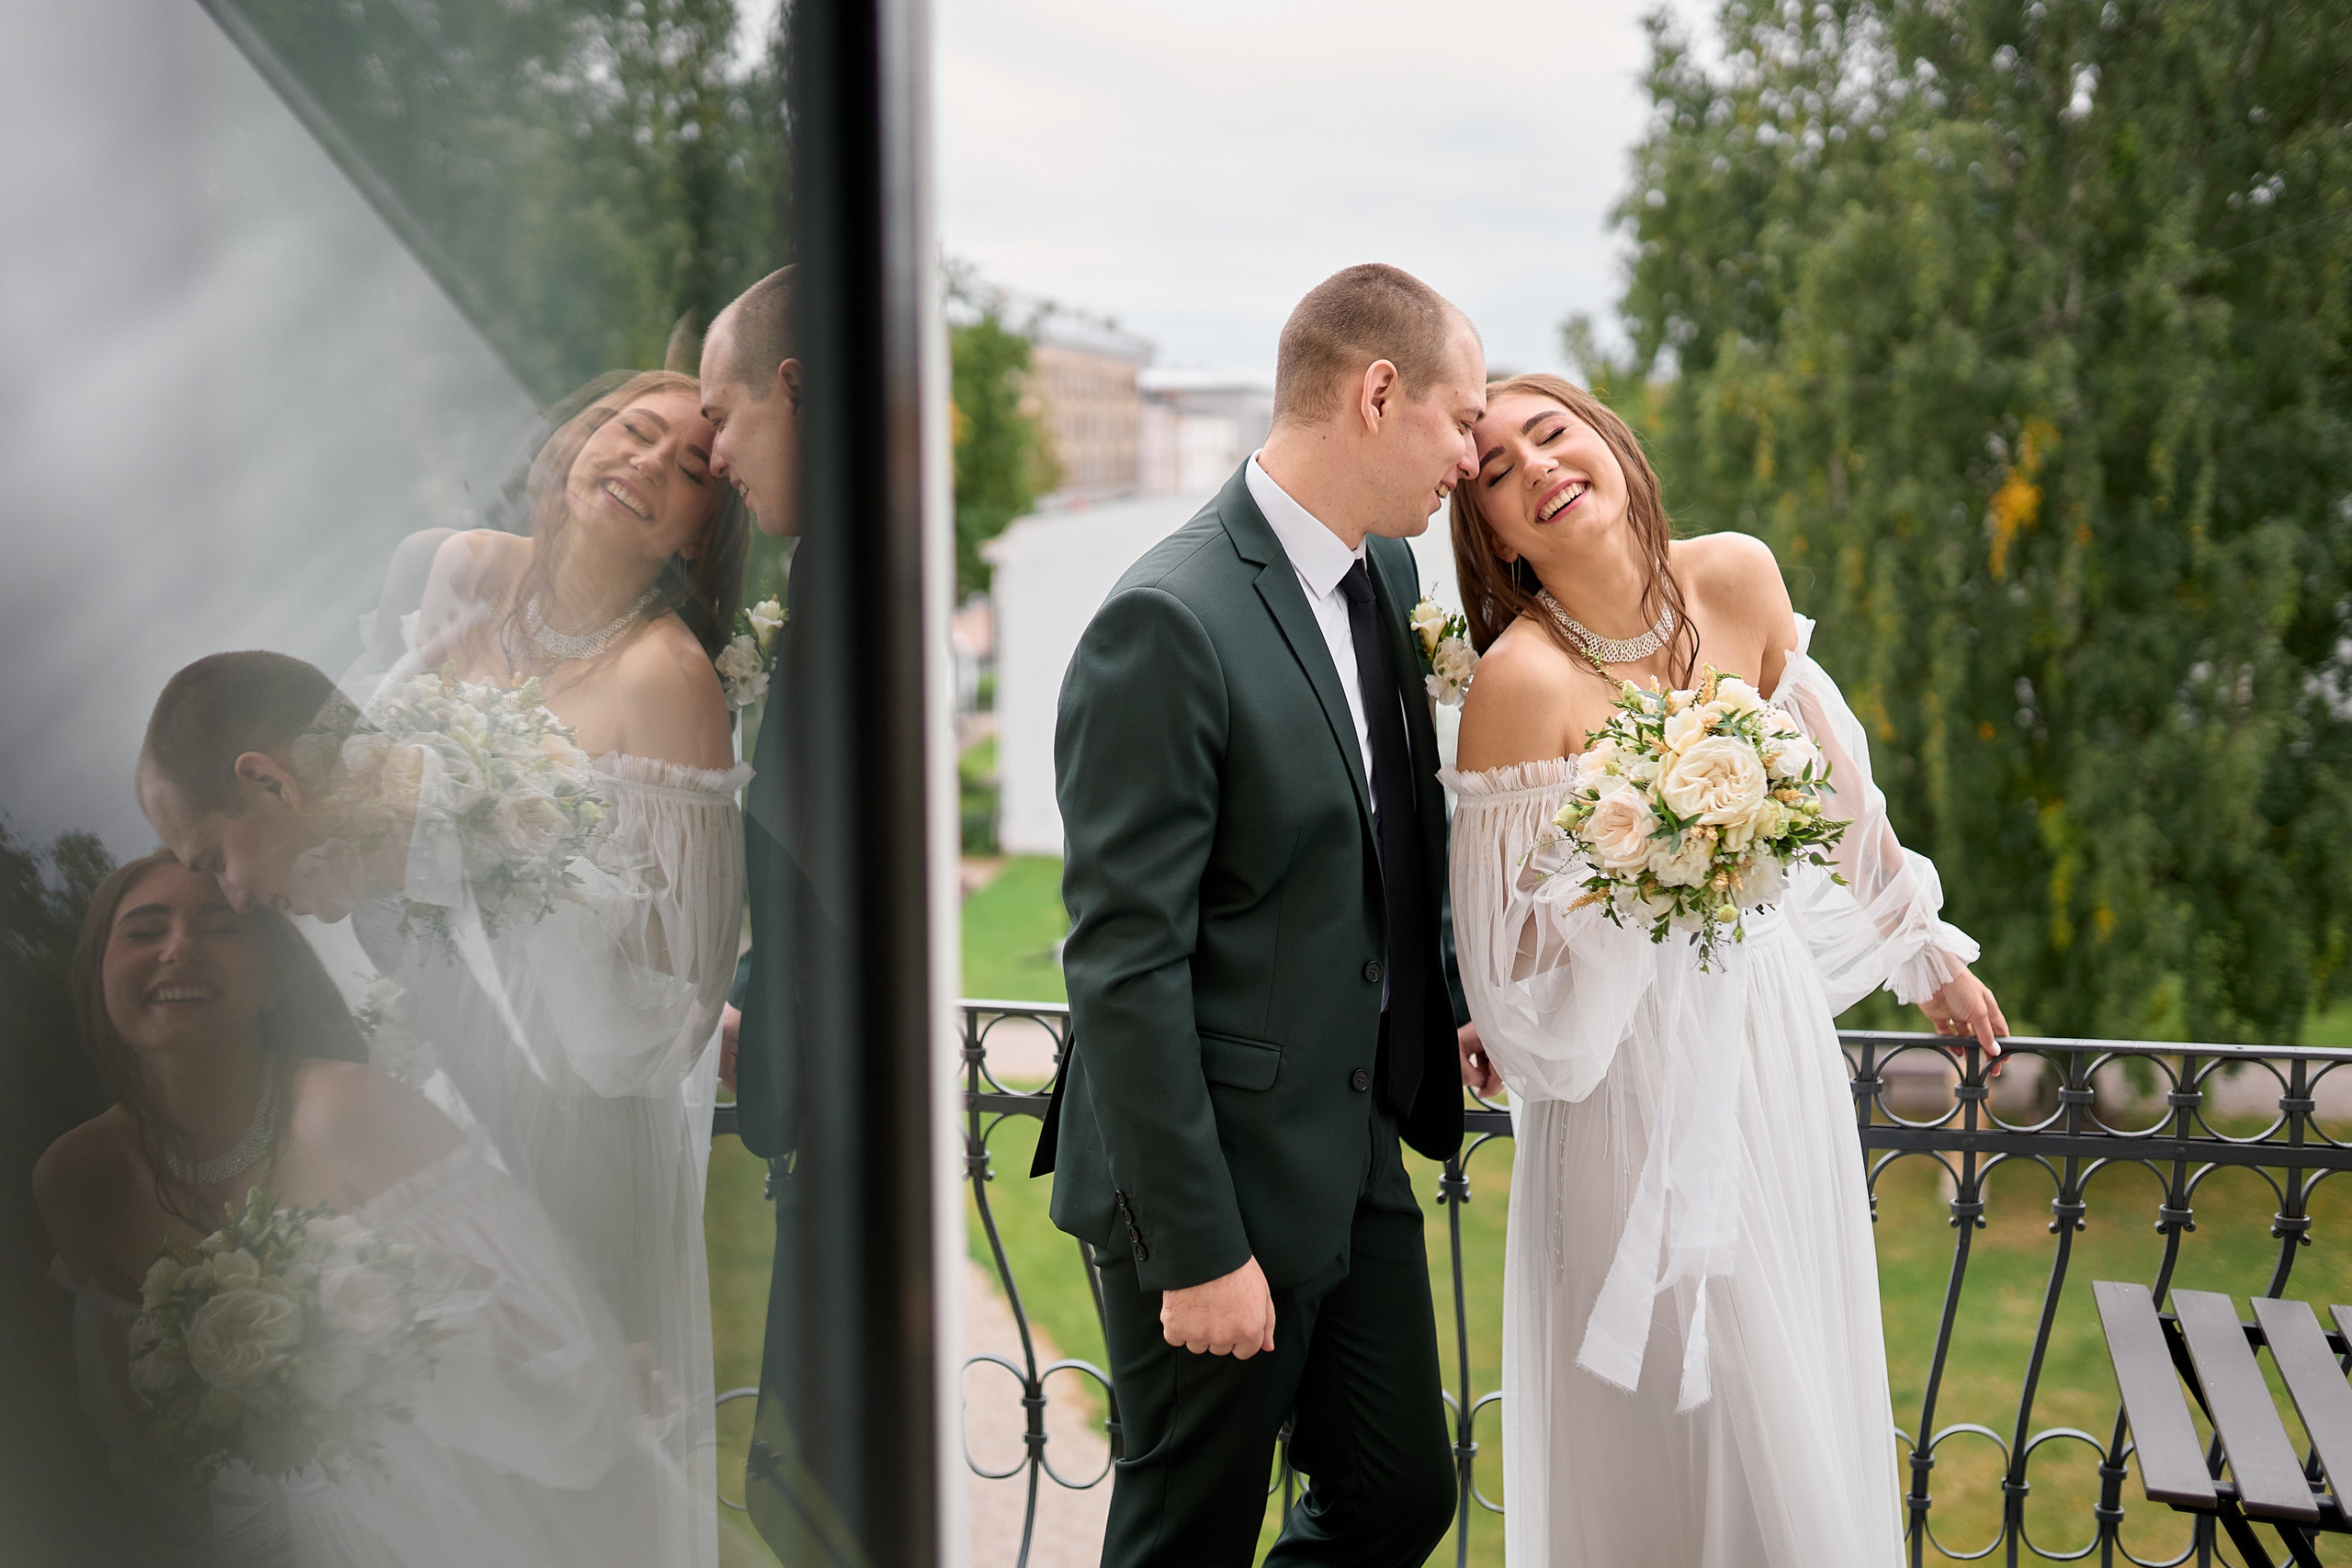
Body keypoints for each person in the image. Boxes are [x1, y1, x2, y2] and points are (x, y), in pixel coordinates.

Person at [141, 368, 752, 1568]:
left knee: (550, 1464)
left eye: (690, 468)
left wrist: (465, 845)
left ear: (701, 529)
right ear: (575, 438)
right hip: (404, 1074)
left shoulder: (665, 680)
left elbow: (650, 1011)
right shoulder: (457, 569)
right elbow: (327, 756)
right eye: (631, 428)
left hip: (554, 1120)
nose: (644, 462)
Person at [1442, 373, 2009, 1564]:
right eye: (1495, 470)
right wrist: (1640, 871)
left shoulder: (1737, 576)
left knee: (1793, 1359)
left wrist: (1922, 949)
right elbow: (1506, 952)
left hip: (1770, 1032)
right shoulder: (1518, 683)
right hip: (1626, 1077)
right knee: (1693, 1401)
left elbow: (1835, 783)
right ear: (1490, 531)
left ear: (1608, 441)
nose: (1536, 467)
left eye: (1552, 433)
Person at [1043, 264, 1487, 1566]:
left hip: (1351, 1148)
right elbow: (1123, 964)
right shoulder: (1166, 620)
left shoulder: (1381, 570)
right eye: (1462, 421)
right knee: (1186, 1537)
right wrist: (1197, 1251)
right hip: (1210, 1182)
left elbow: (1390, 837)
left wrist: (1447, 998)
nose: (1471, 459)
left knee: (1398, 1497)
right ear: (1378, 392)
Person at [33, 852, 682, 1566]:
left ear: (273, 976)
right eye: (143, 930)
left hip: (473, 1518)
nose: (178, 946)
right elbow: (151, 1460)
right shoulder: (79, 1179)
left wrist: (366, 1338)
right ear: (96, 975)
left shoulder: (351, 1111)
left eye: (219, 925)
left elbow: (551, 1351)